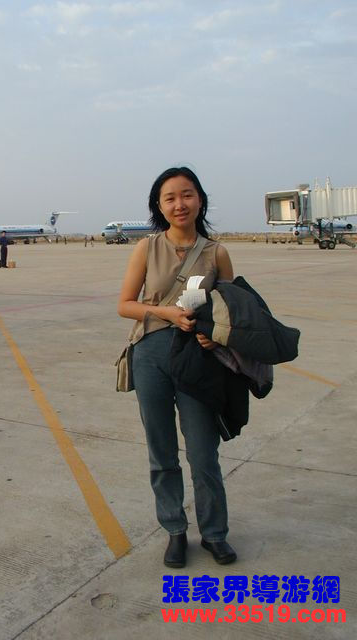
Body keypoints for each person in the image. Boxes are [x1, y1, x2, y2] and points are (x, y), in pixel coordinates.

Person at [118, 167, 236, 568]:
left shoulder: (216, 252)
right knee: (162, 450)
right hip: (151, 353)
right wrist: (166, 313)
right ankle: (174, 529)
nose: (179, 204)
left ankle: (215, 533)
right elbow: (125, 305)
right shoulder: (146, 248)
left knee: (203, 452)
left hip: (198, 357)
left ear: (200, 199)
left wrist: (215, 335)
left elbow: (230, 310)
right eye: (169, 198)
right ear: (159, 205)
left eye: (186, 195)